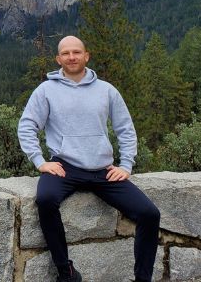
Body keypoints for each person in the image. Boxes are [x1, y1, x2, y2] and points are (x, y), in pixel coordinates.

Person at [17, 35, 160, 282]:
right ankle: (66, 271)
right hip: (65, 168)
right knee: (46, 199)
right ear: (58, 59)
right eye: (66, 53)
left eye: (76, 52)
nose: (71, 57)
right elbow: (27, 125)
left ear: (86, 56)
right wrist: (40, 161)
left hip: (103, 170)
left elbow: (125, 128)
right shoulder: (46, 91)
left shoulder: (106, 90)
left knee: (150, 214)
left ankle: (143, 278)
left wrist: (126, 165)